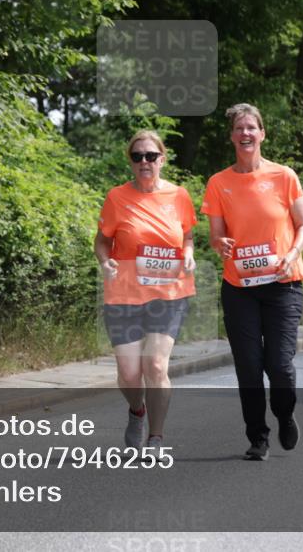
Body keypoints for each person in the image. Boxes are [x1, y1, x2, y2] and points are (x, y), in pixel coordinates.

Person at [201, 103, 303, 461]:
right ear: (231, 136)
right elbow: (216, 235)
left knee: (278, 365)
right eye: (239, 128)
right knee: (248, 366)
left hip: (283, 284)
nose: (245, 134)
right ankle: (257, 437)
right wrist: (220, 243)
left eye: (252, 128)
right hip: (240, 289)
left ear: (262, 133)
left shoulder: (284, 176)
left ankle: (284, 413)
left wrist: (293, 253)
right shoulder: (219, 183)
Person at [94, 130, 196, 454]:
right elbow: (101, 240)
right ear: (131, 162)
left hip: (168, 293)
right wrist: (105, 261)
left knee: (154, 365)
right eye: (137, 157)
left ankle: (156, 437)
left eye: (151, 156)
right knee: (128, 374)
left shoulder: (179, 196)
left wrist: (189, 252)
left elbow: (188, 236)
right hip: (123, 294)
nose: (144, 162)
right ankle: (137, 410)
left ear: (162, 160)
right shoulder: (116, 197)